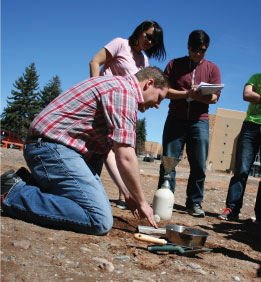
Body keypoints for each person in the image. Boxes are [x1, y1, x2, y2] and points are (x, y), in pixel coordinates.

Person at [1, 66, 169, 235]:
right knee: (99, 219)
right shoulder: (124, 92)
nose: (157, 105)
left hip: (56, 148)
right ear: (149, 83)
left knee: (95, 166)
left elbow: (108, 153)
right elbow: (125, 155)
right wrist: (142, 202)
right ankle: (14, 193)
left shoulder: (119, 88)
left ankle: (31, 184)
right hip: (51, 147)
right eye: (159, 98)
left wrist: (127, 194)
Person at [89, 20, 166, 209]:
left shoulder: (144, 61)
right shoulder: (120, 43)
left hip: (124, 107)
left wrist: (145, 103)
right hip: (105, 102)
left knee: (118, 149)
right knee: (100, 149)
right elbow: (95, 62)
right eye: (148, 36)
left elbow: (139, 89)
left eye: (153, 41)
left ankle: (123, 195)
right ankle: (96, 188)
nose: (149, 42)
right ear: (139, 32)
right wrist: (96, 89)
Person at [158, 30, 222, 217]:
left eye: (202, 50)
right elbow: (163, 90)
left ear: (206, 50)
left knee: (199, 164)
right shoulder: (174, 64)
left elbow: (214, 98)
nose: (198, 53)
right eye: (194, 49)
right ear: (188, 46)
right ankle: (165, 198)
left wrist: (198, 95)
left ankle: (194, 202)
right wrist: (186, 94)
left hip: (199, 122)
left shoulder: (213, 69)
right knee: (168, 162)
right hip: (175, 120)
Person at [218, 73, 261, 222]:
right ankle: (232, 209)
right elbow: (247, 94)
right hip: (250, 126)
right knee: (241, 170)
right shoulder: (256, 77)